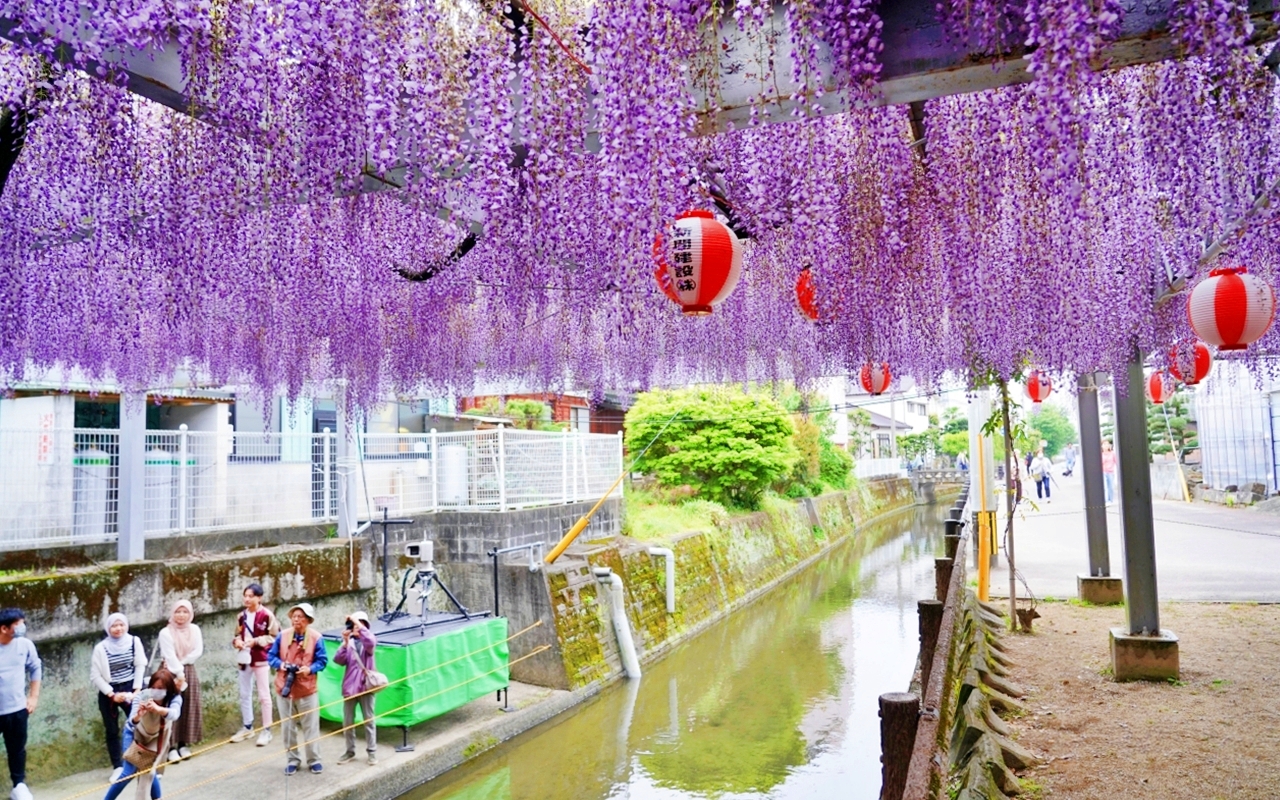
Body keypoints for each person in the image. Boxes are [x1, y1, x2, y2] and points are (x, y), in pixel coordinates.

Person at [102, 668, 182, 800]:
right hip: (134, 734)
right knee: (129, 772)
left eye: (161, 688)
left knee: (148, 770)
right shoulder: (144, 695)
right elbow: (132, 721)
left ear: (168, 688)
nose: (156, 691)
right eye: (154, 688)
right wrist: (138, 716)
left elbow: (175, 714)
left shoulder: (174, 697)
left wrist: (158, 709)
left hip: (156, 738)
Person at [268, 603, 328, 775]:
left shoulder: (316, 638)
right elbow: (271, 656)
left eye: (300, 616)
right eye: (294, 616)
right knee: (287, 728)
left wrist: (310, 669)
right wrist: (282, 665)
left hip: (307, 688)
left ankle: (314, 760)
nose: (296, 619)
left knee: (311, 726)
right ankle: (292, 759)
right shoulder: (282, 636)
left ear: (308, 620)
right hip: (284, 688)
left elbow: (322, 661)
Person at [91, 613, 148, 770]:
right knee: (112, 729)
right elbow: (95, 676)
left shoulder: (134, 641)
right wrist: (112, 695)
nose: (118, 629)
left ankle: (141, 762)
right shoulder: (101, 648)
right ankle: (118, 766)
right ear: (108, 628)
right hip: (110, 692)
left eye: (121, 624)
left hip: (131, 687)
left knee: (139, 724)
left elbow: (140, 664)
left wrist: (137, 690)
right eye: (114, 626)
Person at [231, 584, 280, 746]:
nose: (247, 599)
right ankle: (247, 726)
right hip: (244, 659)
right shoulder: (241, 616)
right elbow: (237, 634)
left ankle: (267, 729)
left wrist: (257, 641)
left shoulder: (267, 615)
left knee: (264, 695)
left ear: (259, 598)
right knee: (244, 693)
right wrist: (237, 641)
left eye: (251, 596)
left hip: (261, 658)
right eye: (245, 595)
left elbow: (274, 636)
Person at [0, 609, 40, 800]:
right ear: (4, 628)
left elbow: (35, 667)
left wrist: (33, 697)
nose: (22, 627)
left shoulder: (25, 645)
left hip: (17, 709)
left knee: (17, 749)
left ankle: (19, 785)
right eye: (18, 624)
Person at [157, 600, 203, 762]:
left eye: (185, 612)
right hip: (169, 672)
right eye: (178, 611)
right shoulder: (165, 632)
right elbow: (169, 656)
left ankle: (184, 743)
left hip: (188, 670)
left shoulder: (194, 629)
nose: (181, 615)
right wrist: (178, 671)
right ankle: (170, 747)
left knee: (188, 706)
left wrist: (182, 666)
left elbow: (198, 651)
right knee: (169, 707)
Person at [334, 612, 378, 766]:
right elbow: (338, 660)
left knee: (369, 721)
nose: (355, 627)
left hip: (366, 686)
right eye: (353, 624)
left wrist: (355, 621)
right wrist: (345, 642)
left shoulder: (369, 643)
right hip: (350, 688)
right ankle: (349, 751)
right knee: (347, 722)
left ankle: (372, 752)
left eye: (359, 624)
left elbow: (371, 641)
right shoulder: (350, 643)